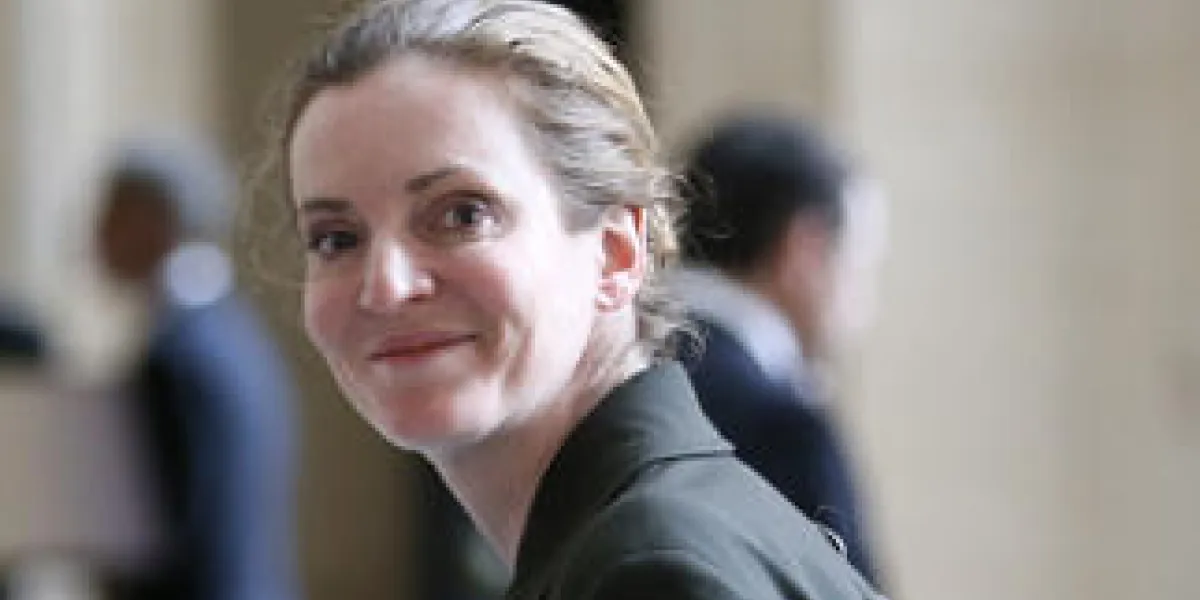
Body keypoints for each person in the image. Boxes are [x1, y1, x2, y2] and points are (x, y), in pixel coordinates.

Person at [272, 1, 883, 598]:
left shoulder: (650, 568)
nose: (386, 287)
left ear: (616, 253)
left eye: (462, 214)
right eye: (336, 238)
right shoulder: (658, 528)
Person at [673, 115, 889, 583]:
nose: (865, 305)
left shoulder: (594, 377)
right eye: (862, 265)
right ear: (804, 248)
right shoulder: (782, 425)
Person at [95, 137, 300, 600]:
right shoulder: (234, 330)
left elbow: (171, 533)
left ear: (154, 221)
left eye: (111, 214)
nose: (97, 234)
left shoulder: (180, 355)